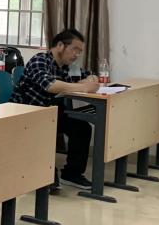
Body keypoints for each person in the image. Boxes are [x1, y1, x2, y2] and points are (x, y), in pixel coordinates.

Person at [11, 28, 99, 189]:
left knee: (82, 128)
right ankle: (43, 175)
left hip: (51, 112)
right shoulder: (40, 60)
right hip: (27, 113)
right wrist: (83, 87)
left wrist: (91, 79)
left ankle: (72, 174)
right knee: (46, 129)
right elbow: (50, 85)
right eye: (74, 49)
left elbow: (89, 75)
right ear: (60, 45)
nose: (77, 55)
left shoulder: (66, 66)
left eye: (80, 52)